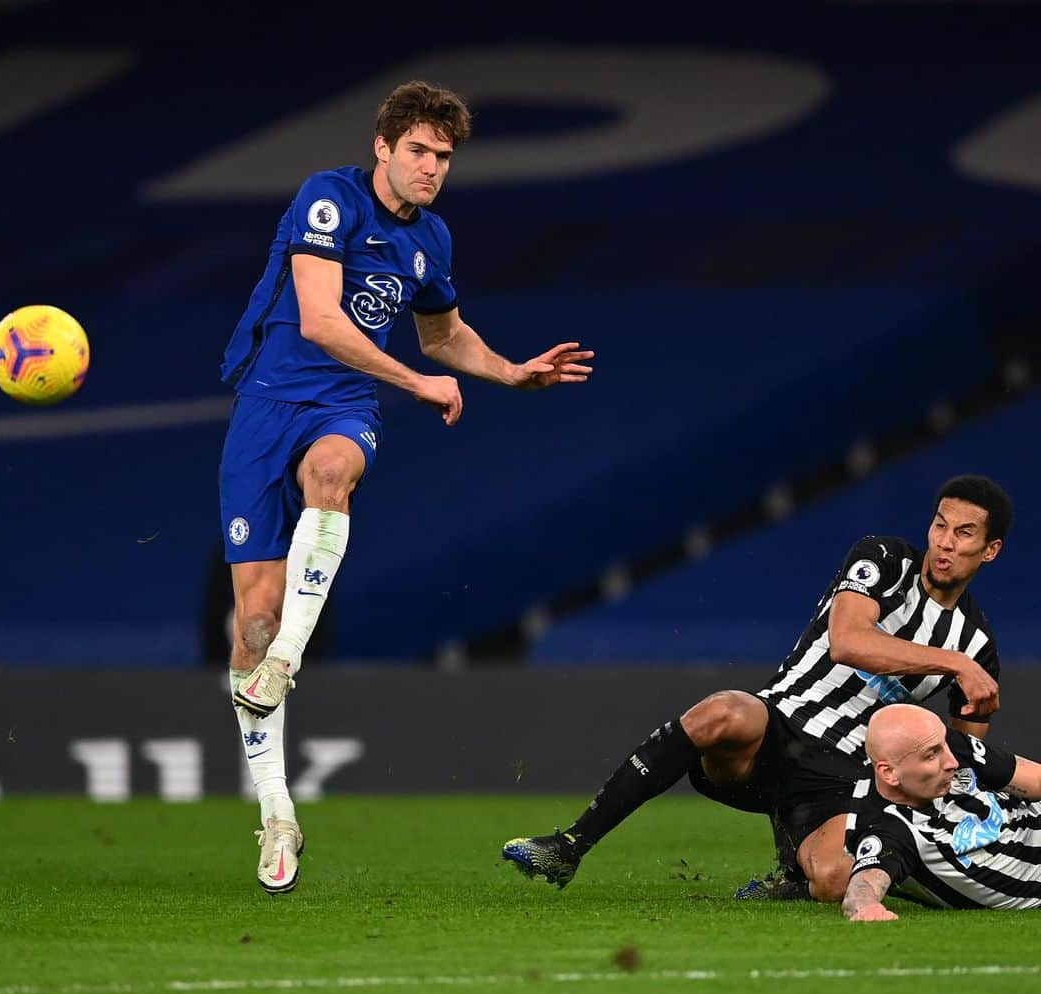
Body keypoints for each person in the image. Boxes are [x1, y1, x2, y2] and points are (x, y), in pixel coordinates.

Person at [218, 80, 594, 893]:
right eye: (419, 151)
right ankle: (277, 811)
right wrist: (419, 383)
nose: (432, 168)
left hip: (342, 405)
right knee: (250, 618)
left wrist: (509, 372)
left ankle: (286, 658)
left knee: (334, 472)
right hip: (266, 403)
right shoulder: (330, 197)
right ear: (384, 147)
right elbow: (318, 319)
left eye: (444, 157)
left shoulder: (432, 239)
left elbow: (443, 332)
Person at [503, 475, 1011, 902]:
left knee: (835, 878)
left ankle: (793, 872)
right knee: (724, 710)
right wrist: (953, 663)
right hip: (773, 732)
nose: (945, 542)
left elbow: (961, 759)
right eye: (940, 525)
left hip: (844, 783)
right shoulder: (885, 560)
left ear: (990, 551)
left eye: (964, 534)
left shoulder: (977, 645)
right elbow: (848, 641)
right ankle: (570, 845)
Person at [843, 705, 1041, 918]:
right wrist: (867, 908)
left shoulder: (943, 744)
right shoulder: (887, 828)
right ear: (889, 773)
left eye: (945, 744)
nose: (952, 762)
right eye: (931, 756)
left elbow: (1035, 780)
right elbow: (863, 887)